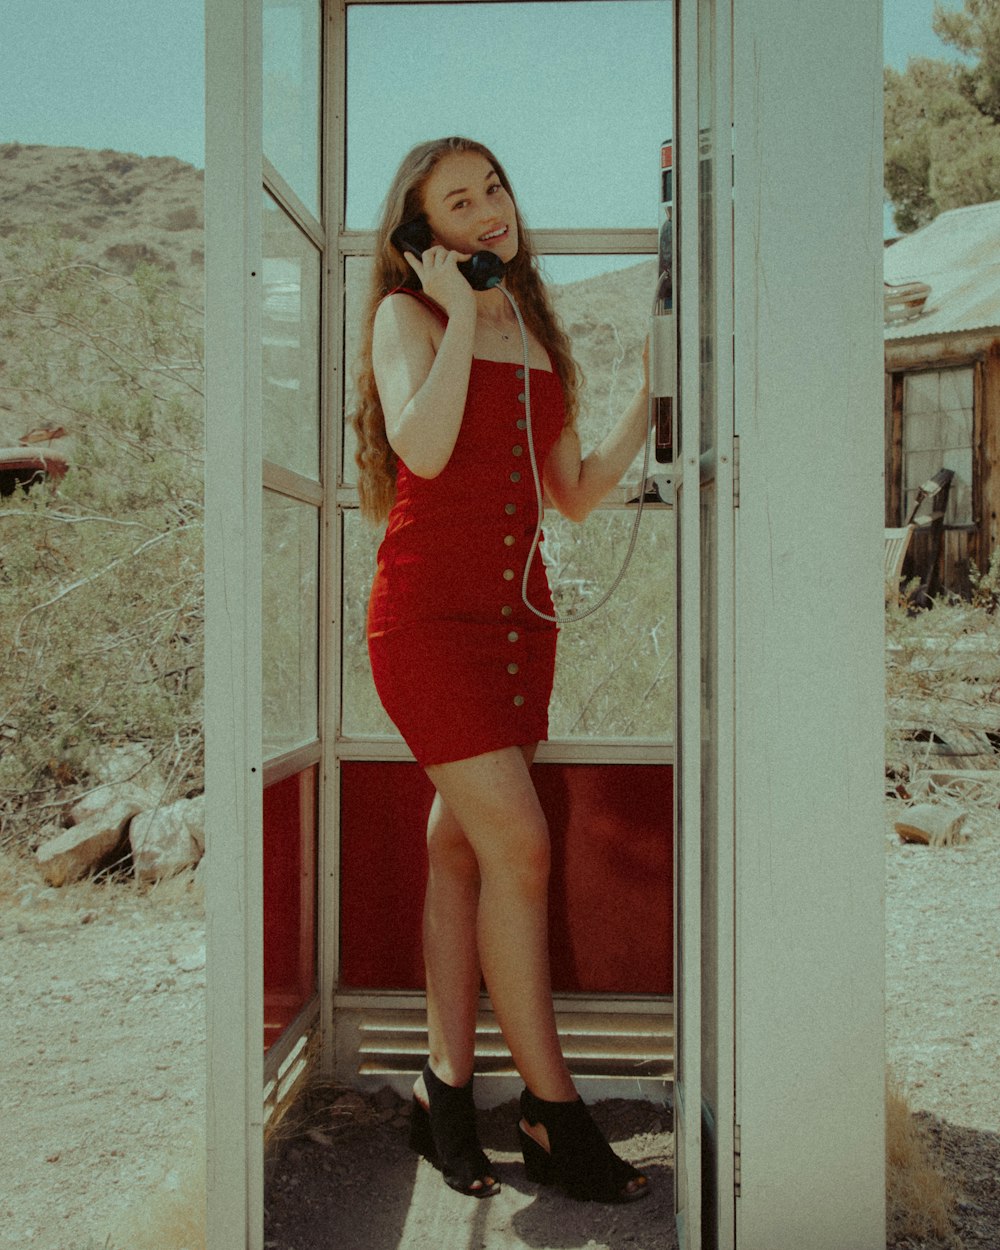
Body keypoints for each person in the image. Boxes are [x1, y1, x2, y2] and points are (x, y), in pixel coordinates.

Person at [351, 136, 650, 1203]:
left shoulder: (533, 325)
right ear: (422, 233)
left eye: (495, 190)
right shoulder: (405, 318)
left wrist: (651, 395)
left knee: (462, 849)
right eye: (458, 202)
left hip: (520, 626)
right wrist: (460, 319)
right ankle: (550, 1108)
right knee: (519, 843)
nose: (488, 213)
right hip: (428, 624)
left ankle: (443, 1091)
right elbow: (422, 450)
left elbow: (570, 490)